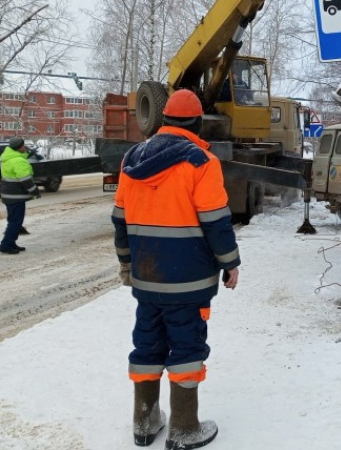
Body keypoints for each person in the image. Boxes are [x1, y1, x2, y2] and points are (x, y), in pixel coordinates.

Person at [112, 89, 240, 449]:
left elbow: (119, 220)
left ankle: (145, 422)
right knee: (186, 346)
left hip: (146, 276)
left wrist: (126, 263)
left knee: (147, 344)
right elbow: (216, 222)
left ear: (163, 119)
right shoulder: (201, 161)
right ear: (197, 122)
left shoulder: (131, 158)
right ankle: (184, 428)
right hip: (189, 280)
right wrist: (230, 263)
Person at [0, 137, 41, 254]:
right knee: (16, 222)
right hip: (16, 196)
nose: (25, 147)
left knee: (13, 221)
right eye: (23, 146)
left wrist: (28, 152)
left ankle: (11, 243)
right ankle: (5, 245)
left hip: (9, 195)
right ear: (19, 148)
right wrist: (35, 192)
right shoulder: (18, 161)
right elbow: (26, 180)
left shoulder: (9, 158)